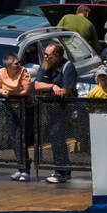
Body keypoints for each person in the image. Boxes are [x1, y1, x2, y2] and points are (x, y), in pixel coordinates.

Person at [33, 41, 78, 183]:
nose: (45, 57)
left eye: (48, 54)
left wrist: (55, 89)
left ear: (57, 56)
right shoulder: (45, 64)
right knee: (54, 137)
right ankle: (62, 168)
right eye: (44, 54)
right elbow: (37, 85)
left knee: (58, 136)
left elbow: (66, 90)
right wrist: (52, 86)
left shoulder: (68, 67)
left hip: (63, 108)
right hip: (48, 107)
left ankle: (62, 170)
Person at [0, 53, 33, 180]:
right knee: (14, 138)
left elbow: (25, 91)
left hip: (24, 107)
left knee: (21, 138)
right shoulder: (1, 72)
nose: (19, 65)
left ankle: (25, 170)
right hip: (10, 107)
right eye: (16, 63)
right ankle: (20, 167)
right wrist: (4, 92)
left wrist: (10, 92)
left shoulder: (23, 71)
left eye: (19, 62)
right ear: (8, 66)